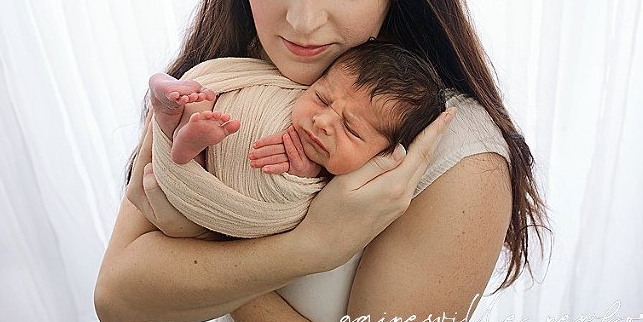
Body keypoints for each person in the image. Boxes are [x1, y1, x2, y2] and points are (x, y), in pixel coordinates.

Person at [94, 0, 549, 322]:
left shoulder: (456, 151)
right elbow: (115, 298)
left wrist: (208, 234)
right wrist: (305, 248)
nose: (303, 20)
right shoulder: (226, 78)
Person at [147, 41, 446, 240]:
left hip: (228, 194)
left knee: (203, 117)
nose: (323, 121)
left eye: (351, 130)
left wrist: (302, 176)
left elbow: (307, 205)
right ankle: (175, 113)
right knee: (203, 98)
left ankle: (187, 139)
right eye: (321, 97)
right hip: (219, 124)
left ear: (383, 155)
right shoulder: (285, 84)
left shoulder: (357, 186)